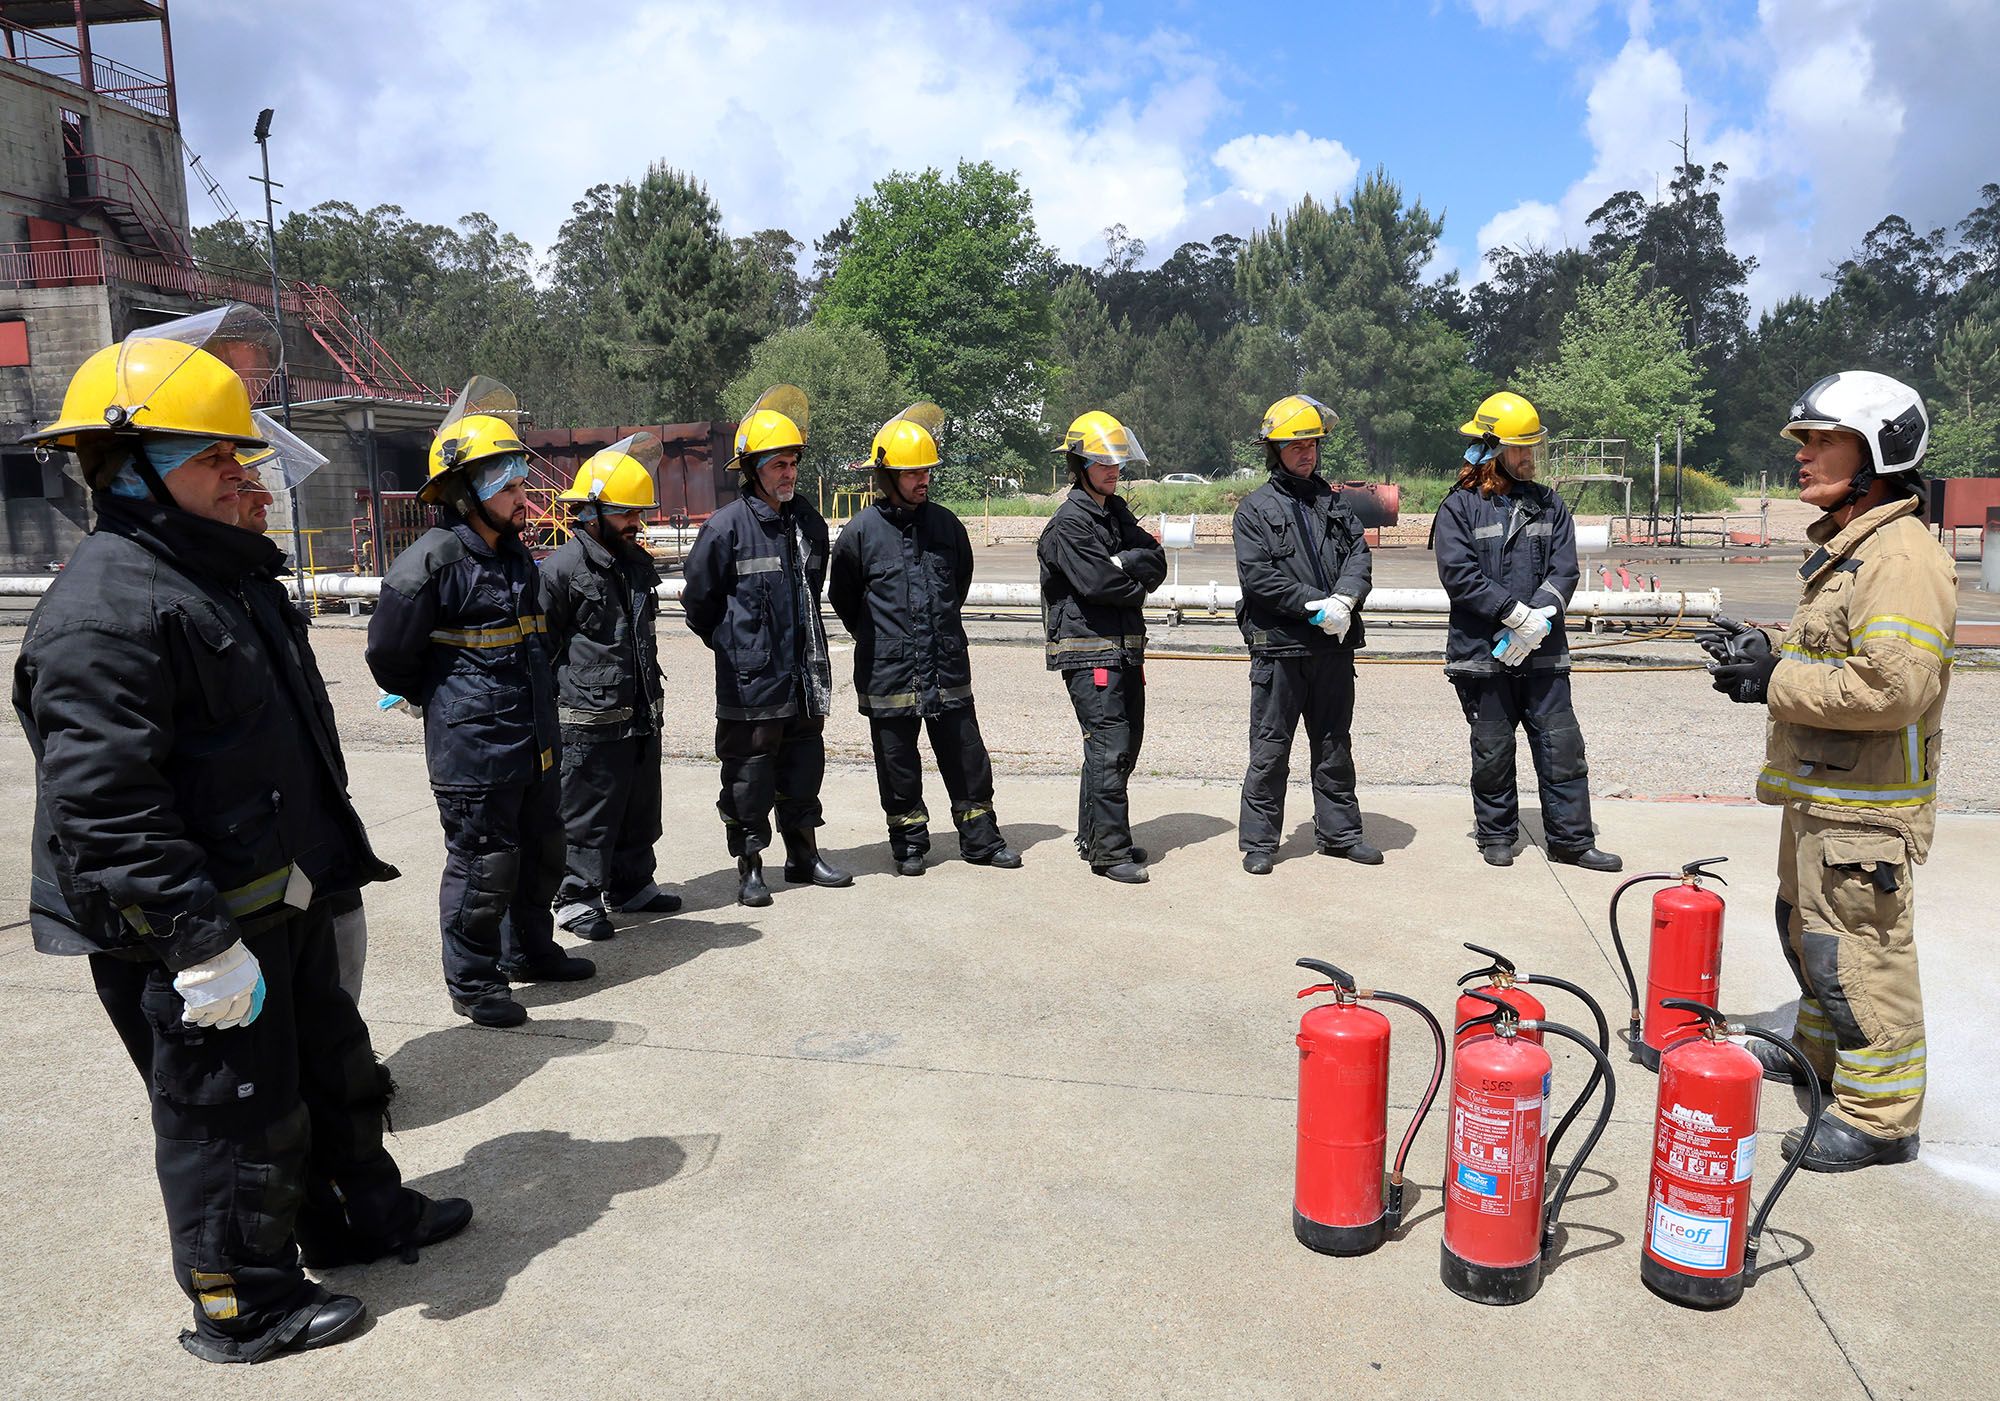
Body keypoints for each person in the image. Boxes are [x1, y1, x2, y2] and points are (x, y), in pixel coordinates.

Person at [15, 307, 468, 1364]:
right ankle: (243, 1304)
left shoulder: (221, 574)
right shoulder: (104, 613)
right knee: (233, 1122)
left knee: (331, 1074)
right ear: (127, 466)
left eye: (239, 454)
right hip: (201, 929)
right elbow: (105, 806)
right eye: (213, 455)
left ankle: (357, 1221)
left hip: (282, 897)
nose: (243, 475)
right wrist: (195, 945)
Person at [1704, 371, 1953, 1172]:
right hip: (1824, 795)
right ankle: (1821, 1053)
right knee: (1809, 936)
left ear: (1878, 452)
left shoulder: (1901, 557)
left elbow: (1896, 686)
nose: (1802, 457)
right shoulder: (1854, 548)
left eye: (1820, 440)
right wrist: (1767, 650)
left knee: (1860, 954)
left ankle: (1882, 1117)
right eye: (1803, 441)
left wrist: (1772, 677)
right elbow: (1843, 654)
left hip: (1866, 809)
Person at [366, 377, 594, 1028]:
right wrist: (437, 700)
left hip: (530, 744)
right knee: (484, 866)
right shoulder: (432, 563)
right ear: (469, 491)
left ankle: (530, 950)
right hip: (473, 753)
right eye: (512, 486)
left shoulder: (517, 559)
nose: (526, 497)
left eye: (522, 483)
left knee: (541, 851)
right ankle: (473, 981)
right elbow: (389, 655)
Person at [829, 403, 1022, 876]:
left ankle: (980, 839)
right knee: (897, 763)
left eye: (926, 472)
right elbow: (845, 598)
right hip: (887, 671)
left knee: (967, 757)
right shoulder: (859, 534)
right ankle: (910, 843)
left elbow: (958, 585)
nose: (922, 480)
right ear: (886, 476)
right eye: (911, 472)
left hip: (946, 667)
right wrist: (883, 639)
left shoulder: (947, 527)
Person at [1433, 391, 1621, 872]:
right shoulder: (1459, 508)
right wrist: (1513, 616)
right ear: (1492, 449)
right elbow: (1459, 574)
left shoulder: (1550, 505)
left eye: (1531, 448)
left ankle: (1572, 841)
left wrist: (1537, 621)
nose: (1528, 458)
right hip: (1483, 655)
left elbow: (1565, 570)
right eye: (1519, 449)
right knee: (1493, 752)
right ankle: (1496, 835)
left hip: (1544, 655)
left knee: (1562, 750)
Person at [683, 384, 849, 907]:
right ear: (751, 467)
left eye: (794, 462)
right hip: (750, 682)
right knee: (748, 777)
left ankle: (803, 855)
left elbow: (812, 591)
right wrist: (738, 646)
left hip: (802, 676)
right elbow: (698, 603)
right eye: (778, 464)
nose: (789, 473)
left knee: (803, 767)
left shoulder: (808, 523)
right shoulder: (725, 529)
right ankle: (750, 867)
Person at [238, 415, 372, 1004]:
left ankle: (342, 1068)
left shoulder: (254, 582)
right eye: (243, 483)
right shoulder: (159, 601)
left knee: (339, 960)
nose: (266, 497)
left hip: (311, 822)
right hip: (252, 855)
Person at [1231, 394, 1379, 874]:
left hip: (1333, 648)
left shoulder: (1335, 504)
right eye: (1296, 445)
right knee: (1270, 748)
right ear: (1274, 450)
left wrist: (1346, 599)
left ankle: (1340, 834)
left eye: (1312, 443)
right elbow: (1258, 577)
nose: (1307, 452)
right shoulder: (1254, 509)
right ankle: (1259, 843)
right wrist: (1315, 605)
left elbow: (1359, 555)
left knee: (1334, 742)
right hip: (1281, 648)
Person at [541, 434, 679, 941]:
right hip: (586, 722)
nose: (636, 523)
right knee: (587, 813)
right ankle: (576, 899)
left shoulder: (634, 563)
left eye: (638, 514)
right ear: (593, 510)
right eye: (626, 514)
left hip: (638, 712)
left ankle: (631, 885)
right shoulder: (561, 570)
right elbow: (543, 649)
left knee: (639, 805)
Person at [1037, 410, 1166, 884]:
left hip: (1125, 649)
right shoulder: (1070, 523)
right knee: (1109, 747)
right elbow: (1099, 585)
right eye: (1104, 462)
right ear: (1080, 464)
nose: (1114, 470)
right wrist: (1133, 581)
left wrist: (1126, 562)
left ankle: (1097, 834)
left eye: (1118, 462)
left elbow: (1156, 560)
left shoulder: (1115, 512)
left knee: (1122, 746)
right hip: (1089, 652)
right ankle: (1109, 854)